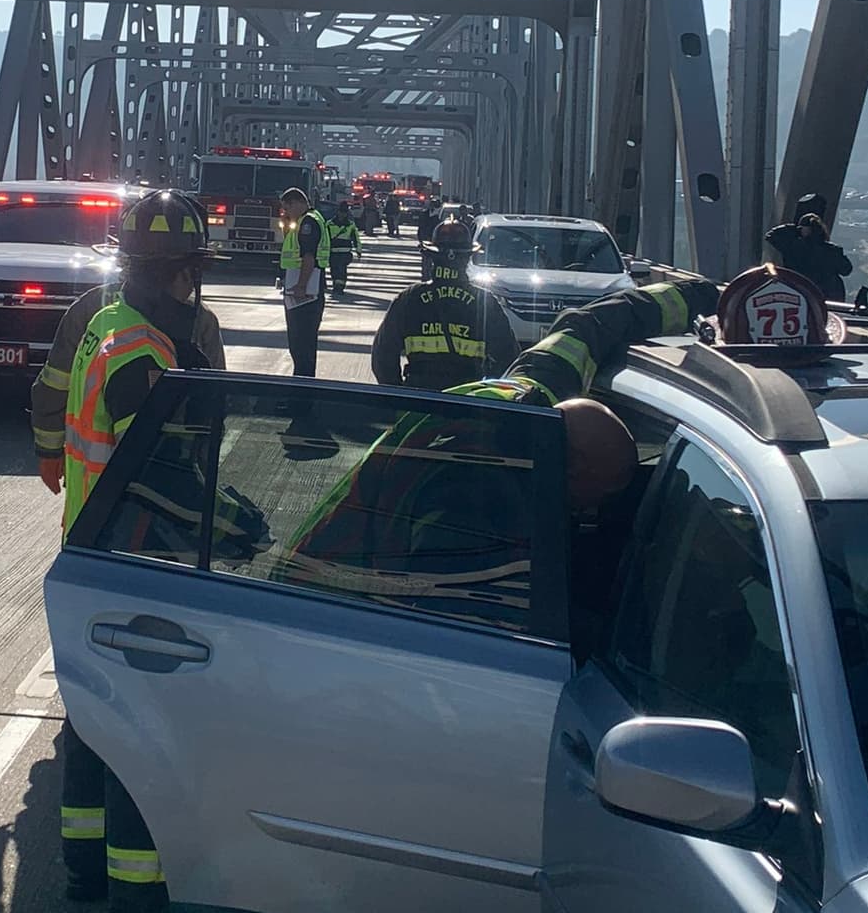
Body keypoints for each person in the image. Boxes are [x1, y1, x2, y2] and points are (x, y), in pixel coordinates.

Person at [286, 279, 720, 650]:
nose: (596, 511)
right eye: (602, 496)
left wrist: (709, 295)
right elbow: (467, 635)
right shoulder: (473, 504)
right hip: (326, 615)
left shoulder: (533, 402)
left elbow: (590, 326)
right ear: (568, 473)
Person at [58, 188, 223, 913]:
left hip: (95, 546)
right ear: (179, 271)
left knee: (91, 725)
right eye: (192, 269)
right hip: (137, 551)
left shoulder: (109, 324)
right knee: (140, 731)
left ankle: (83, 868)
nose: (196, 283)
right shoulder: (143, 352)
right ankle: (136, 894)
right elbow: (159, 469)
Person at [31, 242, 226, 494]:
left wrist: (48, 451)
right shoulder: (200, 320)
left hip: (90, 495)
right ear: (185, 272)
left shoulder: (92, 309)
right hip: (148, 501)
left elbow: (54, 385)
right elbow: (216, 406)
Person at [371, 219, 518, 390]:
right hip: (468, 403)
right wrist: (485, 399)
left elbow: (383, 355)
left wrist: (399, 397)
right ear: (469, 256)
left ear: (431, 256)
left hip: (419, 402)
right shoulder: (485, 302)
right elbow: (509, 358)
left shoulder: (410, 299)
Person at [279, 187, 330, 378]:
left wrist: (301, 285)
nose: (285, 213)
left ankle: (302, 389)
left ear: (296, 203)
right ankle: (302, 382)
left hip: (305, 294)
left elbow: (309, 256)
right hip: (306, 290)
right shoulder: (308, 219)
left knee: (301, 343)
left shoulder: (308, 223)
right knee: (302, 345)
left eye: (287, 208)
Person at [765, 209, 852, 302]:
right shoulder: (833, 250)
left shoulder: (794, 247)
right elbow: (846, 270)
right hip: (829, 295)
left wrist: (794, 228)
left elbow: (771, 235)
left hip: (801, 292)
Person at [325, 201, 363, 296]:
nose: (342, 214)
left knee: (342, 270)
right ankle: (336, 285)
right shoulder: (329, 224)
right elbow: (325, 239)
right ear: (337, 212)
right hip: (333, 252)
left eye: (344, 212)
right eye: (341, 212)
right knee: (334, 270)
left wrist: (358, 250)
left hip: (345, 252)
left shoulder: (350, 225)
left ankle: (340, 288)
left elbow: (356, 238)